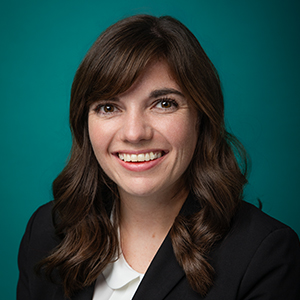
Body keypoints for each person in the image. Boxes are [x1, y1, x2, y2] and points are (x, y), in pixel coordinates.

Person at [17, 14, 300, 300]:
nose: (134, 133)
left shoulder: (264, 255)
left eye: (164, 104)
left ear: (201, 118)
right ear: (84, 123)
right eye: (108, 107)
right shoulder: (46, 232)